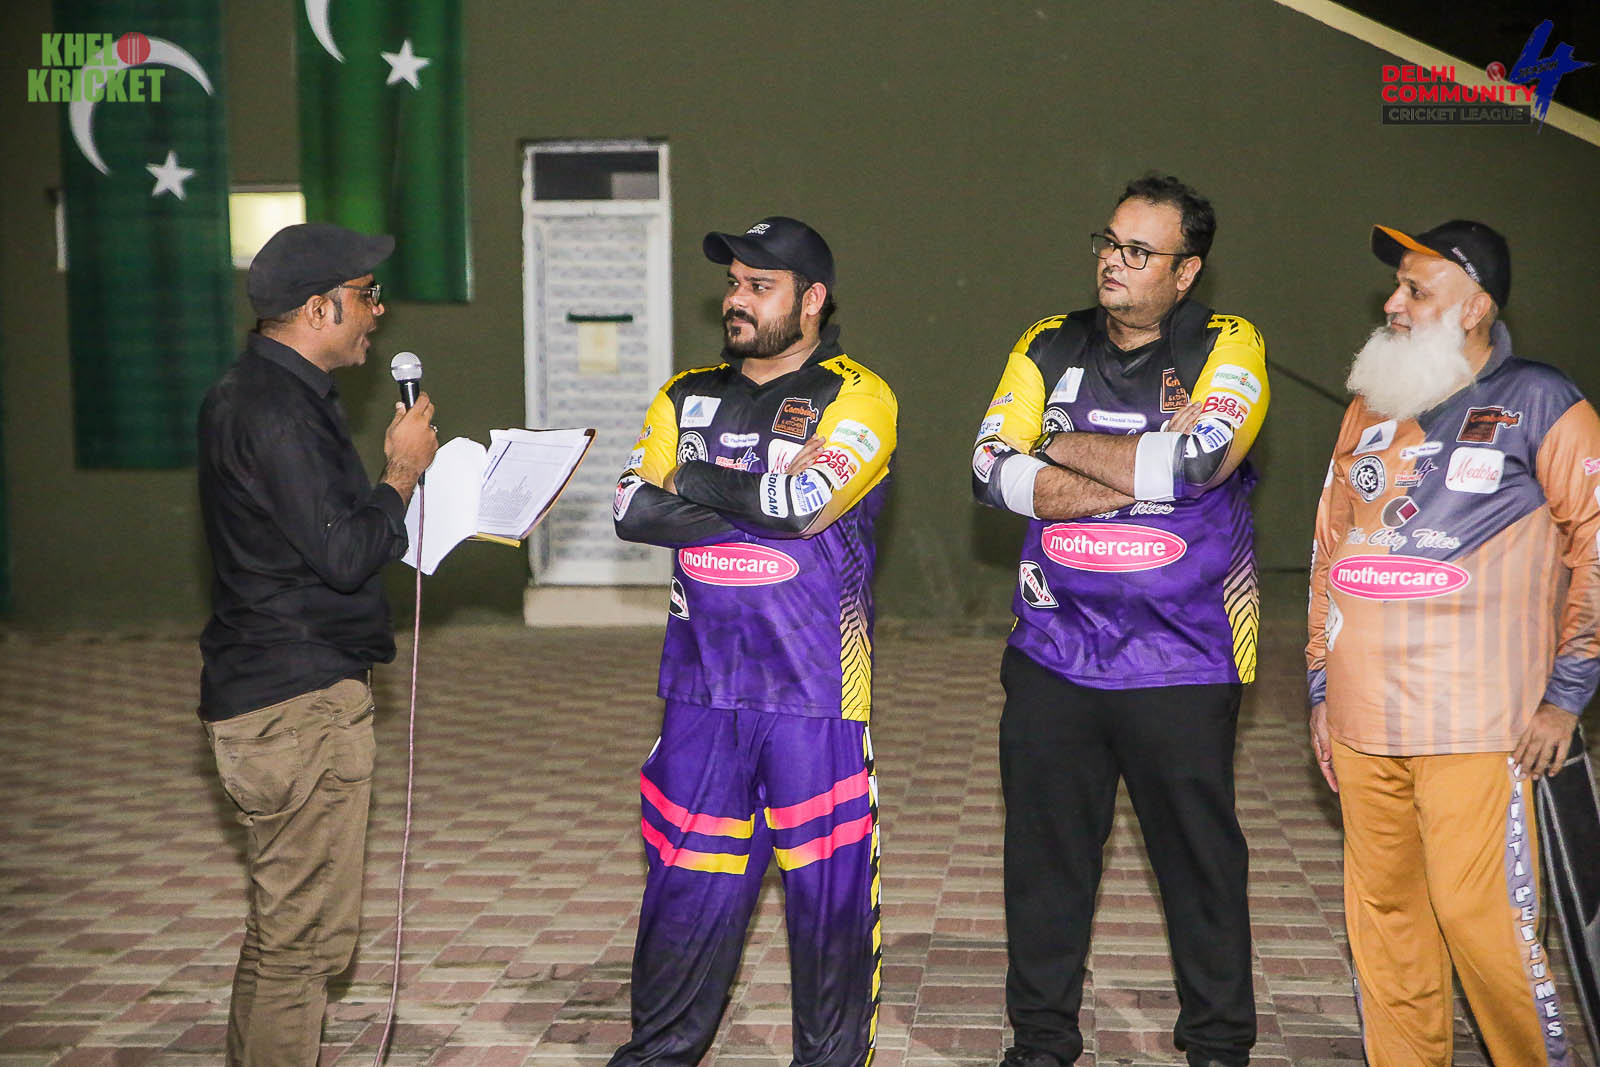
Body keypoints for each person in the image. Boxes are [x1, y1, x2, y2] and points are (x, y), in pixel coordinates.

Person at [971, 175, 1269, 1067]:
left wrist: (1054, 445)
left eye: (1140, 251)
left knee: (1199, 865)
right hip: (1053, 653)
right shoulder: (1047, 340)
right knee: (1045, 862)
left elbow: (1202, 462)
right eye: (1109, 242)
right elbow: (988, 470)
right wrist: (1142, 465)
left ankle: (1217, 1043)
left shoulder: (1228, 343)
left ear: (1186, 271)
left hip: (1185, 658)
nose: (1114, 262)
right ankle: (1041, 1039)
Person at [609, 216, 898, 1067]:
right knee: (683, 891)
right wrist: (755, 493)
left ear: (811, 300)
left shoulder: (859, 396)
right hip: (699, 693)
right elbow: (631, 507)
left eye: (759, 285)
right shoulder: (684, 394)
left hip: (815, 696)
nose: (737, 299)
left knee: (827, 905)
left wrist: (691, 480)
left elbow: (805, 504)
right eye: (734, 283)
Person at [1307, 220, 1591, 1066]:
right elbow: (1329, 549)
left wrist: (1566, 695)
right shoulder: (1371, 404)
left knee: (1484, 922)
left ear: (1475, 307)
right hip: (1363, 722)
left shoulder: (1541, 400)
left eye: (1416, 290)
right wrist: (1320, 688)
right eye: (1396, 287)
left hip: (1478, 724)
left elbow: (1598, 545)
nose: (1393, 305)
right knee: (1387, 921)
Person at [196, 222, 438, 1067]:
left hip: (282, 691)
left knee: (291, 934)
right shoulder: (272, 410)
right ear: (316, 308)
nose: (379, 312)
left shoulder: (269, 393)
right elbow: (342, 554)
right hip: (293, 706)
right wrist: (400, 474)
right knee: (299, 945)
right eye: (367, 296)